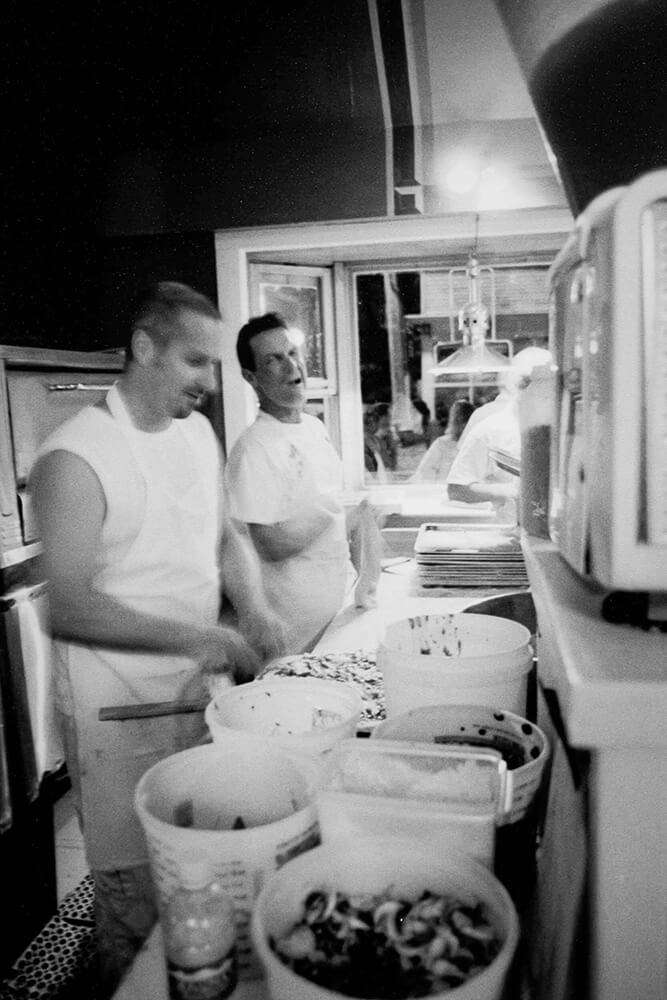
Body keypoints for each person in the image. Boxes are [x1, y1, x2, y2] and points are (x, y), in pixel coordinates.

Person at [29, 282, 284, 996]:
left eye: (213, 365)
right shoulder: (73, 458)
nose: (212, 383)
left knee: (200, 880)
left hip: (198, 701)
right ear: (144, 348)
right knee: (136, 907)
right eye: (196, 362)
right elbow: (70, 608)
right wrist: (202, 637)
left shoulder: (196, 434)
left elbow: (225, 533)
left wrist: (255, 606)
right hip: (117, 722)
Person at [225, 312, 382, 652]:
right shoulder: (253, 448)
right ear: (251, 377)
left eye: (293, 353)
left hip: (337, 612)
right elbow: (271, 545)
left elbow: (326, 521)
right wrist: (335, 510)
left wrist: (359, 521)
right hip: (291, 633)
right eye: (273, 359)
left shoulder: (313, 428)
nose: (291, 366)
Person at [446, 347, 552, 520]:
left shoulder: (563, 428)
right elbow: (457, 489)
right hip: (513, 529)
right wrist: (507, 491)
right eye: (529, 383)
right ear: (518, 386)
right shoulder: (490, 430)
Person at [411, 398, 476, 482]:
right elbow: (424, 473)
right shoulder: (441, 444)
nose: (463, 426)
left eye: (464, 421)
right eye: (458, 420)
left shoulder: (478, 444)